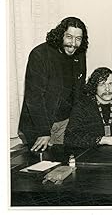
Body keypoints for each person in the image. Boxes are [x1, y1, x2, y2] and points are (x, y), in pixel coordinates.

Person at [18, 17, 89, 152]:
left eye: (78, 39)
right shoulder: (39, 55)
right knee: (42, 167)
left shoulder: (80, 55)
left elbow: (79, 91)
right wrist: (44, 131)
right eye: (69, 37)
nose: (73, 43)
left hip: (65, 122)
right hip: (38, 125)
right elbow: (34, 98)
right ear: (60, 34)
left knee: (68, 164)